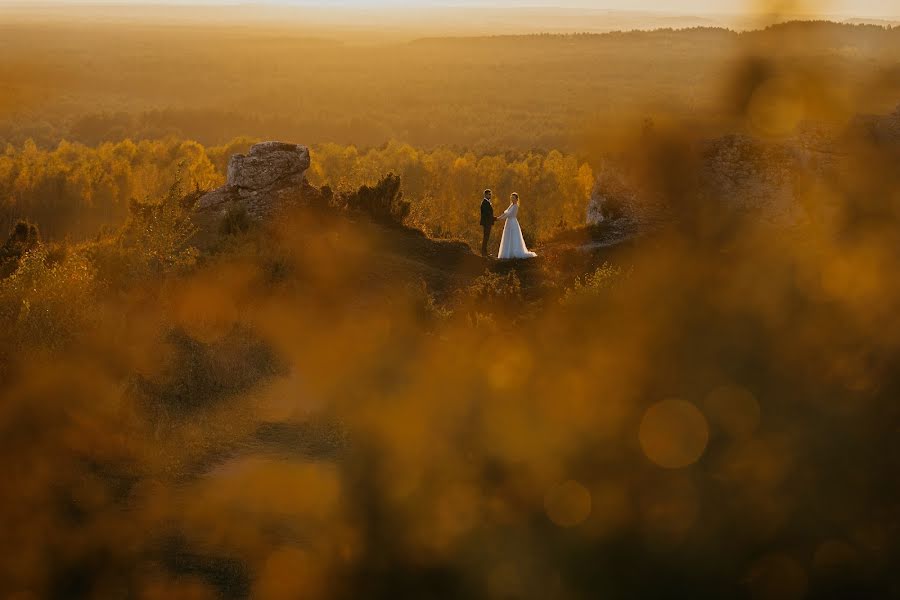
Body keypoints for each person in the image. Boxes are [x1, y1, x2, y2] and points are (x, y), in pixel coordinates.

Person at [496, 192, 537, 259]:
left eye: (513, 198)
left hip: (512, 222)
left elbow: (509, 215)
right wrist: (498, 217)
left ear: (516, 199)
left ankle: (514, 252)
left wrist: (499, 219)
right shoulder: (511, 205)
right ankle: (507, 252)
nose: (512, 199)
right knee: (508, 236)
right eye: (511, 198)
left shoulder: (515, 206)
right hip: (508, 222)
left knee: (513, 236)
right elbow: (505, 213)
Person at [479, 189, 497, 257]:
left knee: (486, 237)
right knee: (486, 237)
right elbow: (487, 214)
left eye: (490, 194)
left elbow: (489, 214)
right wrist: (495, 218)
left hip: (487, 223)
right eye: (489, 194)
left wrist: (493, 218)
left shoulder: (487, 202)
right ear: (485, 195)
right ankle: (484, 253)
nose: (490, 195)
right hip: (486, 223)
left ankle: (485, 252)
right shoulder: (484, 203)